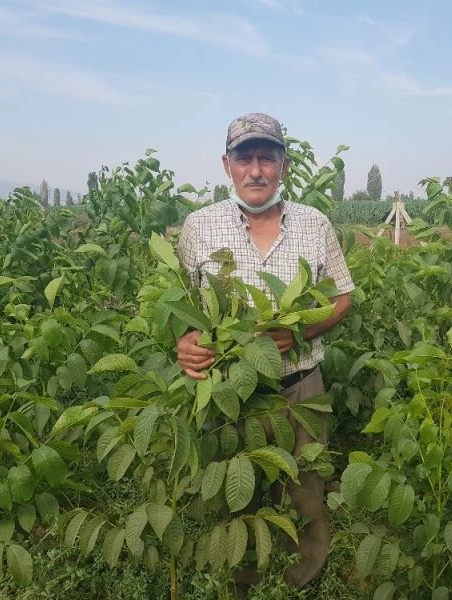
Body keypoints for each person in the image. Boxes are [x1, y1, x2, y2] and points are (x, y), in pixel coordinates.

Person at [176, 112, 354, 590]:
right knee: (240, 495)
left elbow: (342, 297)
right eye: (244, 158)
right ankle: (244, 579)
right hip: (232, 395)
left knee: (308, 492)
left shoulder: (315, 226)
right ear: (227, 165)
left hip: (301, 387)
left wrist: (302, 332)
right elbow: (185, 312)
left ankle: (303, 578)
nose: (256, 170)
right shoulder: (198, 228)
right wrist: (184, 342)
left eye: (266, 158)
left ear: (284, 165)